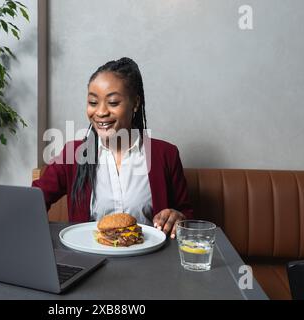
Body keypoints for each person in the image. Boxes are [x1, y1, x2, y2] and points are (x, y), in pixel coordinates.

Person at [33, 57, 193, 239]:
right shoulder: (74, 153)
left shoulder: (166, 154)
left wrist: (177, 218)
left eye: (113, 103)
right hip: (90, 260)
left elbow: (186, 216)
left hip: (151, 261)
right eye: (93, 102)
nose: (101, 112)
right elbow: (33, 201)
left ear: (135, 103)